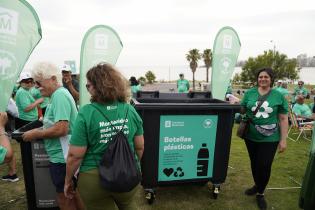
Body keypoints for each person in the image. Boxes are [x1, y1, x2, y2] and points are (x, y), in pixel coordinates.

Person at [64, 63, 144, 210]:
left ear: (98, 87)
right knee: (128, 205)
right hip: (128, 174)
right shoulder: (130, 110)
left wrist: (68, 180)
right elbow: (139, 146)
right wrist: (133, 164)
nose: (88, 90)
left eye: (89, 86)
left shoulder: (86, 113)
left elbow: (75, 156)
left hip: (94, 179)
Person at [22, 62, 83, 210]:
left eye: (38, 82)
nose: (36, 86)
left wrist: (36, 133)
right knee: (73, 195)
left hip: (62, 158)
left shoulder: (59, 95)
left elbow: (61, 129)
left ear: (54, 79)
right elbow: (56, 125)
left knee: (65, 199)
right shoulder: (57, 96)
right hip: (63, 156)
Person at [240, 68, 288, 210]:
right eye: (260, 77)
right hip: (251, 135)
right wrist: (234, 104)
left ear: (271, 79)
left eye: (266, 77)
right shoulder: (249, 93)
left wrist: (283, 139)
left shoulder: (278, 96)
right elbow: (243, 109)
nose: (263, 79)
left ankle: (260, 193)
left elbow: (283, 118)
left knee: (264, 165)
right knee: (254, 163)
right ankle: (257, 185)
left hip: (270, 137)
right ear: (257, 79)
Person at [1, 98, 19, 182]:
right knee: (7, 147)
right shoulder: (4, 94)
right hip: (5, 123)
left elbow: (13, 110)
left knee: (6, 150)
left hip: (4, 123)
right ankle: (13, 173)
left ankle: (13, 173)